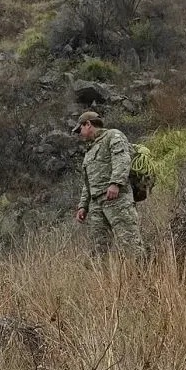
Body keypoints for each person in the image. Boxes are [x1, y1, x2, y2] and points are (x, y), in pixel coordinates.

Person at [73, 111, 147, 259]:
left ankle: (141, 271)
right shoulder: (90, 150)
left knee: (129, 241)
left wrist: (115, 183)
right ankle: (104, 274)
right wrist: (83, 206)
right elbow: (88, 182)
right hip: (96, 203)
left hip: (116, 198)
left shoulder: (113, 136)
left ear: (88, 124)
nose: (79, 134)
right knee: (98, 248)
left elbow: (122, 159)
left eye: (79, 129)